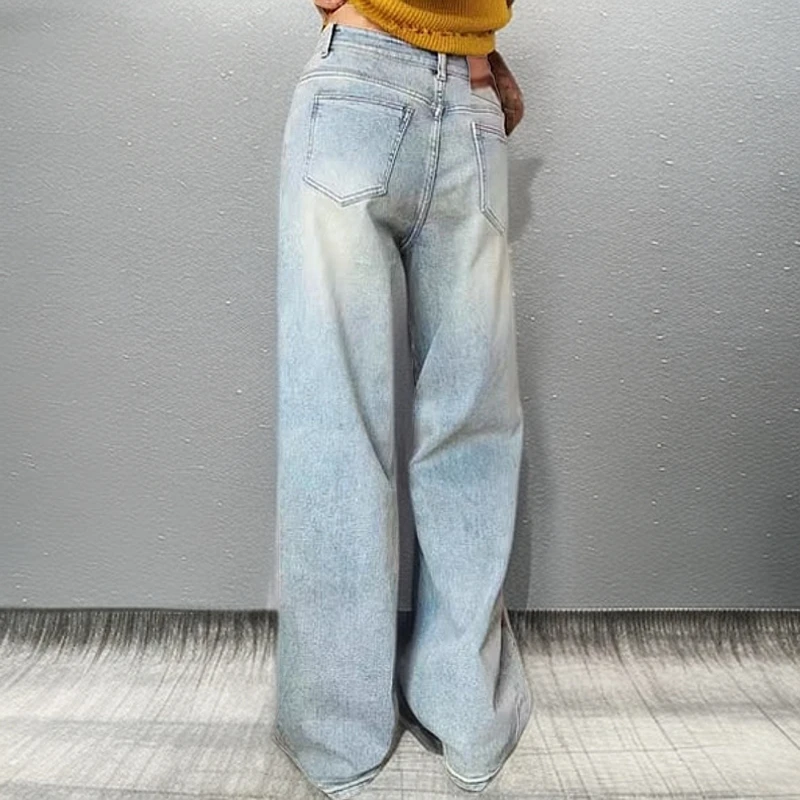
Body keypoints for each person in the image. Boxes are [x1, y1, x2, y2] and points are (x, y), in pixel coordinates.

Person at [271, 1, 532, 797]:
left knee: (335, 422)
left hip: (370, 78)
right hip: (463, 93)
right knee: (472, 426)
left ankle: (336, 735)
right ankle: (464, 711)